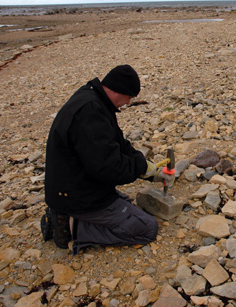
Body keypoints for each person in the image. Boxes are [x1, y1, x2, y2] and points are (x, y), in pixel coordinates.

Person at [41, 65, 174, 254]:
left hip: (72, 185)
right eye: (129, 97)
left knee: (124, 201)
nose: (128, 103)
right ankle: (71, 226)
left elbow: (117, 144)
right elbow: (109, 168)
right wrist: (140, 168)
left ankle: (68, 214)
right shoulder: (91, 113)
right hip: (76, 195)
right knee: (147, 228)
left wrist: (148, 169)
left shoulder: (93, 98)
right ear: (121, 90)